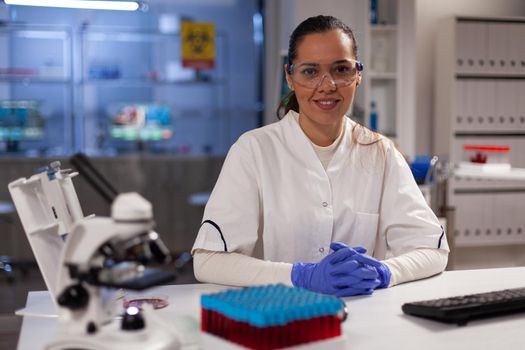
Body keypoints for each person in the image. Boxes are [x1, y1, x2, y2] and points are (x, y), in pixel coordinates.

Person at [192, 15, 448, 297]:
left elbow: (432, 249)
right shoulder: (253, 150)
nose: (327, 85)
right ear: (289, 76)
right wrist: (300, 275)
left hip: (364, 323)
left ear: (358, 75)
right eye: (310, 72)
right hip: (279, 319)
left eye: (341, 69)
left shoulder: (380, 152)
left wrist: (386, 272)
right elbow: (208, 261)